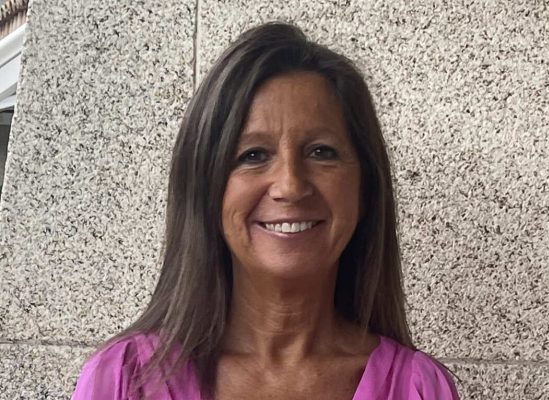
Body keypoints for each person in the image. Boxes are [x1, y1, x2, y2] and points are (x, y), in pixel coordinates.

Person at [72, 22, 459, 400]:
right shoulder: (125, 380)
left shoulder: (419, 388)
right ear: (206, 189)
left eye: (321, 151)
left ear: (366, 189)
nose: (290, 185)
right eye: (253, 155)